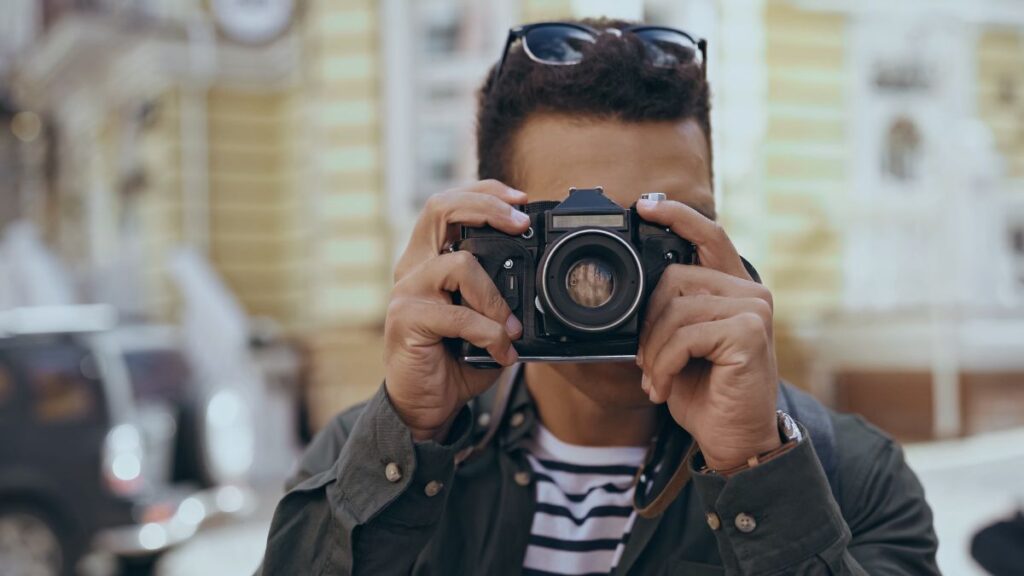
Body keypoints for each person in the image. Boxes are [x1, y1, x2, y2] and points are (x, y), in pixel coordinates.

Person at [259, 18, 938, 575]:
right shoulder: (368, 451)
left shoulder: (851, 475)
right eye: (575, 235)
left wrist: (757, 467)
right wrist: (406, 434)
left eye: (657, 228)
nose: (617, 277)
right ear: (494, 237)